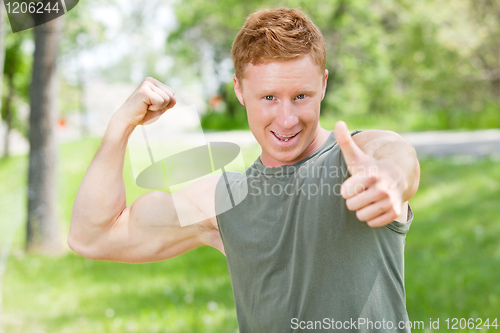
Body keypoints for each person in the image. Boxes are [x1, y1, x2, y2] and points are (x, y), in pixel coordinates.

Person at [68, 7, 420, 332]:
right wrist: (121, 126)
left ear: (323, 84)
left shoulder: (357, 160)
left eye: (301, 96)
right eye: (269, 97)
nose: (286, 119)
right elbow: (92, 236)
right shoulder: (221, 201)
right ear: (239, 89)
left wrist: (391, 180)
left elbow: (395, 156)